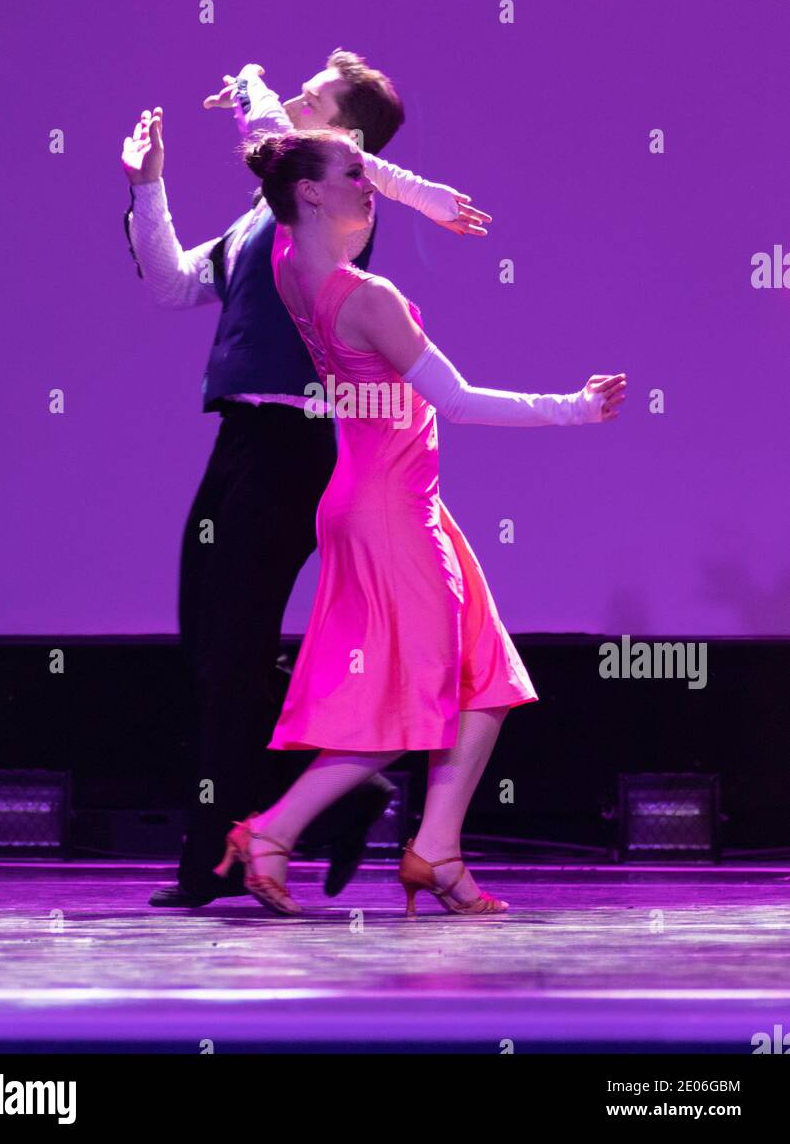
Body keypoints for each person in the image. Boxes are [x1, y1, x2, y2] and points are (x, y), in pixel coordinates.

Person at [213, 129, 627, 918]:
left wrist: (409, 190)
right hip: (391, 513)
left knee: (487, 680)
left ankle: (438, 852)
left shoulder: (285, 268)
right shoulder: (368, 297)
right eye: (354, 175)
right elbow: (459, 401)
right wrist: (573, 408)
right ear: (309, 192)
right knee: (419, 698)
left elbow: (288, 148)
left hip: (385, 500)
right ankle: (272, 832)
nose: (371, 186)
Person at [119, 51, 493, 908]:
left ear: (346, 147)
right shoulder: (268, 217)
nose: (291, 96)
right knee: (213, 654)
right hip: (242, 440)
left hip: (298, 442)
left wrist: (246, 74)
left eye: (311, 96)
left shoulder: (331, 209)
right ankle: (335, 799)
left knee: (230, 656)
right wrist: (148, 188)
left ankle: (222, 854)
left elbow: (274, 132)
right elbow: (175, 283)